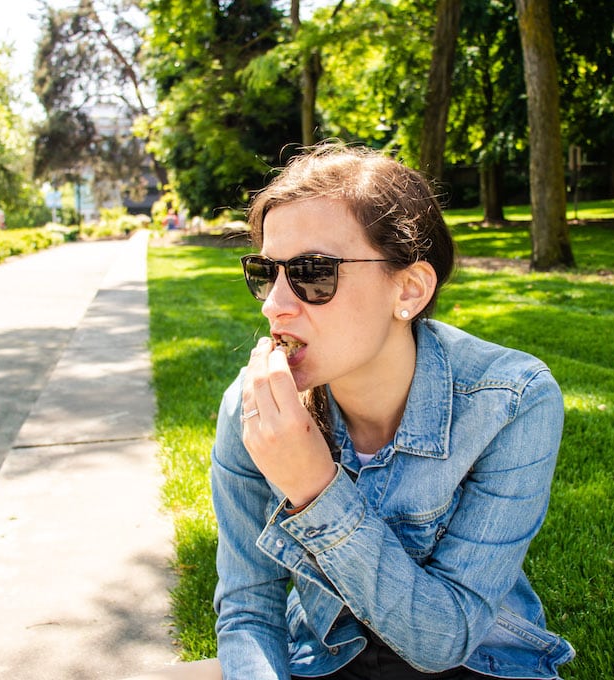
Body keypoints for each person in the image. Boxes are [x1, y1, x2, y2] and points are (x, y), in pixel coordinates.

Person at [126, 143, 574, 680]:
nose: (274, 304)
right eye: (265, 273)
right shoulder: (250, 412)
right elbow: (250, 611)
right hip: (325, 656)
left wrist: (314, 485)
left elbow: (444, 640)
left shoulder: (512, 402)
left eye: (314, 273)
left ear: (408, 289)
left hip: (479, 663)